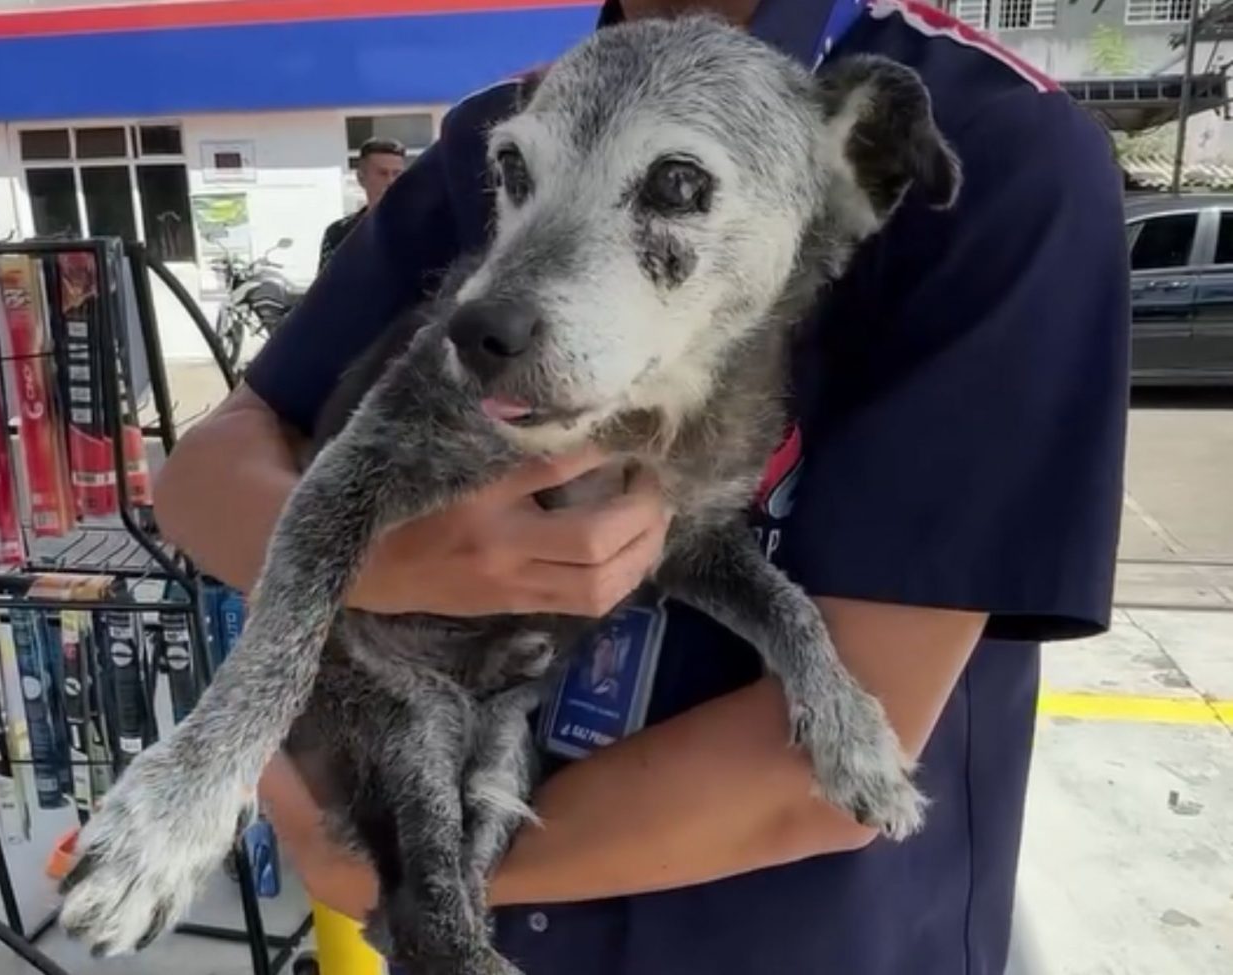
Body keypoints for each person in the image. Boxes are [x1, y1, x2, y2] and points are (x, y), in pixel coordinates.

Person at [153, 0, 1130, 972]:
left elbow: (821, 776)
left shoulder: (996, 152)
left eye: (671, 185)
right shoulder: (504, 130)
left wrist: (400, 873)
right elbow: (207, 472)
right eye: (521, 183)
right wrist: (381, 561)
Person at [317, 136, 406, 270]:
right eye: (382, 173)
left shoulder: (424, 230)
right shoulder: (339, 234)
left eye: (397, 174)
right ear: (361, 178)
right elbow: (325, 288)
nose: (391, 181)